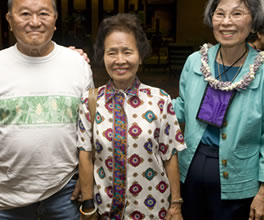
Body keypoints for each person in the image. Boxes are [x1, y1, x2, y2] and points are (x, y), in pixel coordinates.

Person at [0, 0, 94, 220]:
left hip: (65, 192)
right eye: (25, 13)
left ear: (55, 19)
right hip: (6, 197)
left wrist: (86, 180)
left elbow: (89, 129)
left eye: (44, 14)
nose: (35, 22)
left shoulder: (77, 64)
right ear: (9, 19)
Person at [172, 0, 264, 220]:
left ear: (254, 21)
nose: (226, 22)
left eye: (237, 14)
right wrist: (144, 103)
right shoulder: (195, 61)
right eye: (220, 14)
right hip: (190, 169)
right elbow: (180, 108)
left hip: (238, 177)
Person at [77, 13, 186, 220]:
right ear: (103, 56)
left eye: (127, 52)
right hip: (105, 210)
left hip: (153, 209)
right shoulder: (89, 102)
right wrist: (88, 202)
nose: (120, 60)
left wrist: (176, 204)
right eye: (112, 53)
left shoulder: (160, 99)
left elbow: (170, 155)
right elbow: (86, 155)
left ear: (140, 55)